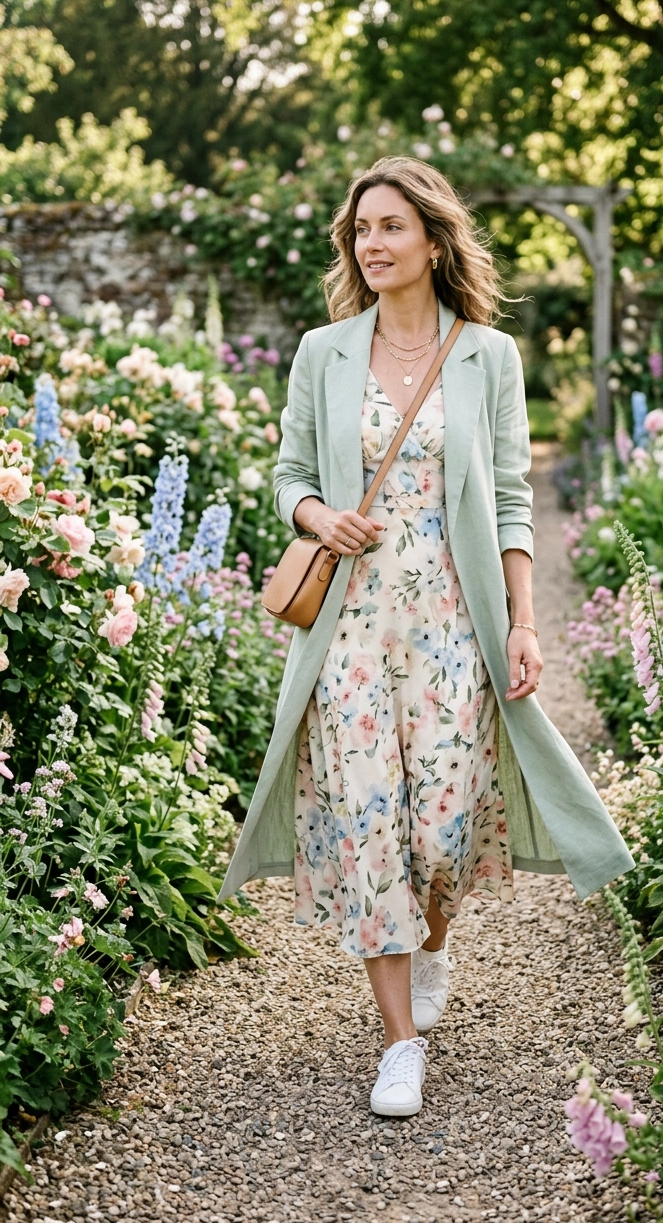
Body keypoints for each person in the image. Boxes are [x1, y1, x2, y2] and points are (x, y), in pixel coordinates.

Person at [219, 156, 633, 1118]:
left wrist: (525, 625)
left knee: (442, 830)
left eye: (392, 226)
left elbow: (516, 499)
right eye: (362, 229)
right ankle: (399, 1041)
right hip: (351, 629)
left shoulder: (488, 355)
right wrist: (320, 518)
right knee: (372, 823)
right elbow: (287, 476)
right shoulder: (322, 351)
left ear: (435, 241)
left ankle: (431, 937)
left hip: (454, 624)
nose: (372, 243)